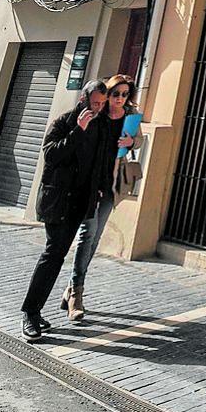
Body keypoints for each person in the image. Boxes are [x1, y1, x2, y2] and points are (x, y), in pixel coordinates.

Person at [19, 80, 119, 340]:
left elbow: (100, 162)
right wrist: (77, 131)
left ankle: (36, 311)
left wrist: (98, 190)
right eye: (95, 103)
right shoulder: (64, 122)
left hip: (81, 202)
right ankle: (30, 312)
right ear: (83, 100)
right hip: (58, 201)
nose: (98, 108)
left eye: (101, 103)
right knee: (53, 254)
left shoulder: (101, 126)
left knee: (59, 254)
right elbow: (51, 156)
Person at [61, 74, 140, 322]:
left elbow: (135, 141)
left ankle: (70, 287)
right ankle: (77, 294)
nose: (119, 99)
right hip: (90, 183)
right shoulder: (97, 114)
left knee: (94, 239)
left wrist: (131, 141)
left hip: (110, 184)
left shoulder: (129, 118)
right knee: (87, 235)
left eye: (124, 94)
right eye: (115, 94)